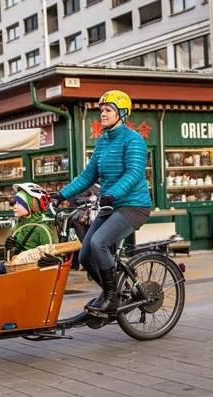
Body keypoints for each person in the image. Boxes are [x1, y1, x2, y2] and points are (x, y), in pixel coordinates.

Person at [51, 90, 152, 313]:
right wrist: (61, 195)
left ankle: (111, 297)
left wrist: (112, 193)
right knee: (86, 255)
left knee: (99, 243)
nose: (103, 114)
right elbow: (88, 175)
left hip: (134, 206)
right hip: (110, 205)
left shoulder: (133, 140)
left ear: (121, 114)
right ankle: (113, 291)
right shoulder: (103, 142)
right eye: (102, 110)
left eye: (108, 110)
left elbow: (134, 173)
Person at [0, 182, 57, 276]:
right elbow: (8, 258)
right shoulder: (18, 225)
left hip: (26, 270)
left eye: (19, 203)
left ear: (32, 205)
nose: (14, 206)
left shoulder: (42, 228)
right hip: (14, 265)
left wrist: (55, 261)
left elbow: (57, 254)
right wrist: (9, 248)